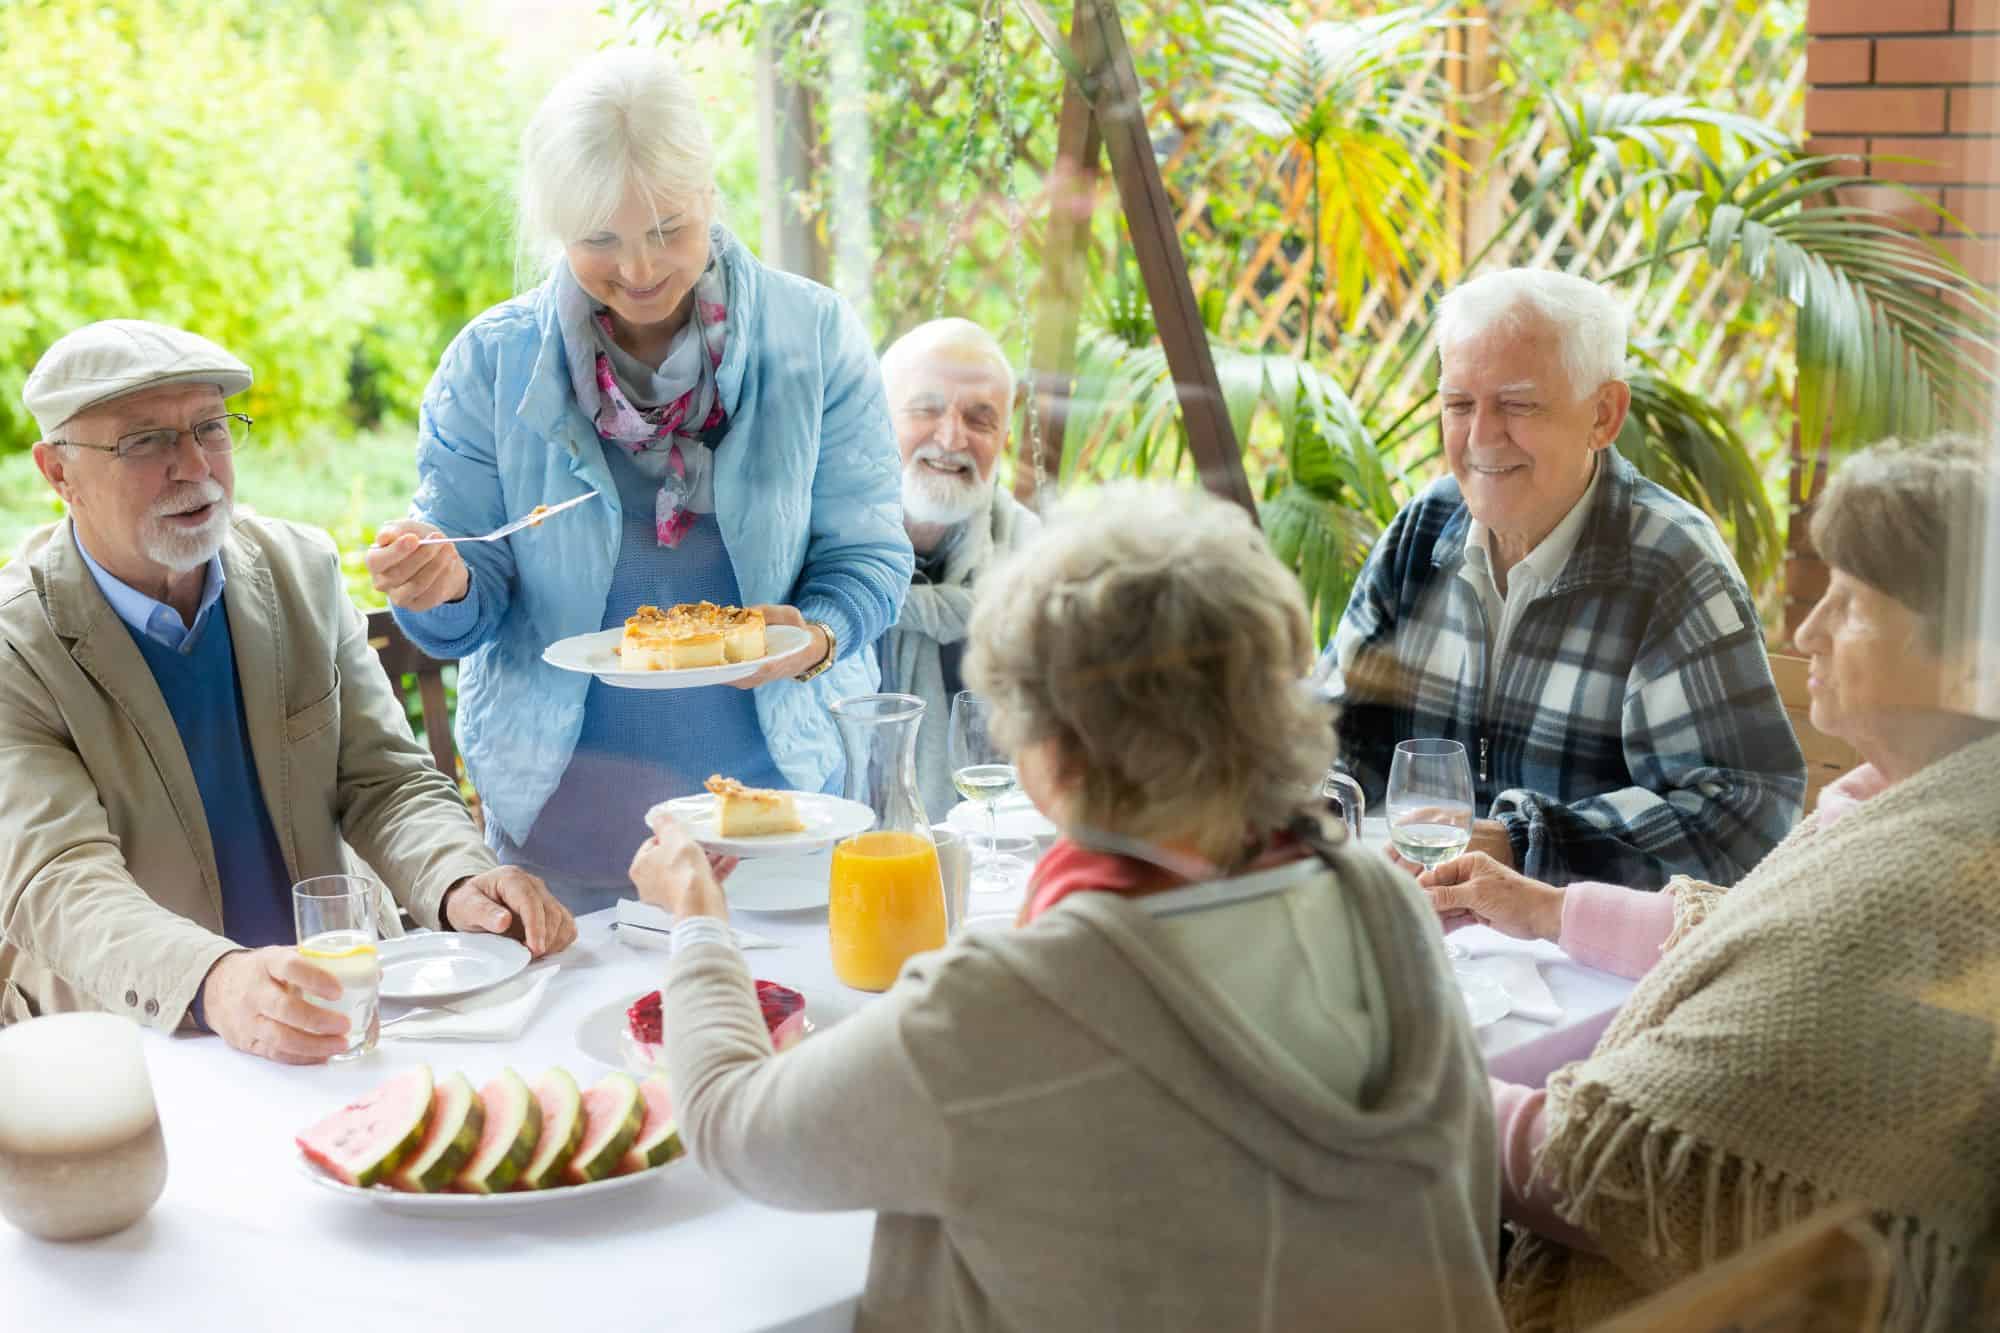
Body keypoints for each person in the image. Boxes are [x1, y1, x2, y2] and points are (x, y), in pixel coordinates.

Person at [628, 483, 1505, 1332]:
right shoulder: (1380, 900)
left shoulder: (1006, 1004)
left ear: (1053, 756)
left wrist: (698, 915)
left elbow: (733, 1126)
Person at [1419, 436, 1999, 1331]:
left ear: (1962, 654)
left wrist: (1408, 1081)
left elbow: (1600, 1169)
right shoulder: (1905, 799)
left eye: (1848, 605)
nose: (1805, 634)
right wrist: (1547, 909)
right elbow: (1752, 933)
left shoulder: (1906, 887)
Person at [363, 49, 912, 914]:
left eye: (667, 230)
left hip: (779, 826)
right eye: (600, 242)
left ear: (709, 198)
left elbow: (871, 556)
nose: (641, 270)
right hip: (564, 850)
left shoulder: (815, 338)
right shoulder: (492, 364)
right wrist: (439, 581)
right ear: (555, 231)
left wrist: (821, 633)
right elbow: (459, 613)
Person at [0, 320, 574, 1063]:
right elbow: (60, 880)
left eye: (209, 427)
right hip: (140, 1047)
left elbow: (384, 781)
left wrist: (458, 878)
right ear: (58, 473)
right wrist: (215, 979)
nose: (192, 466)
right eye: (144, 441)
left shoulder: (299, 570)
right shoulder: (17, 646)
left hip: (345, 1015)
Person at [1315, 268, 1803, 890]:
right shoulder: (1423, 529)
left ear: (1603, 415)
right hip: (1425, 924)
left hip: (1585, 962)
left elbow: (1746, 816)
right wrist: (1314, 800)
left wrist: (1525, 843)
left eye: (1517, 405)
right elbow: (1332, 724)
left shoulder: (1670, 565)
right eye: (1459, 405)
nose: (1481, 438)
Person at [875, 317, 1041, 819]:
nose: (951, 439)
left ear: (1005, 440)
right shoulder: (822, 559)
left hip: (996, 845)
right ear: (877, 419)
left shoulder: (1037, 562)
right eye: (926, 410)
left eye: (979, 418)